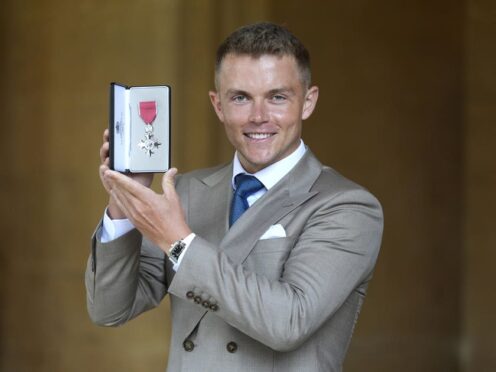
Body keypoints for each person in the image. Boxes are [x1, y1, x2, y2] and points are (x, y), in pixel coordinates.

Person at [86, 22, 383, 372]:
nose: (258, 117)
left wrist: (179, 242)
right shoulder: (187, 193)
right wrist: (124, 199)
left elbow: (289, 322)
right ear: (218, 106)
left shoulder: (347, 206)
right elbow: (110, 310)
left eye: (277, 97)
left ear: (308, 101)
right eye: (240, 97)